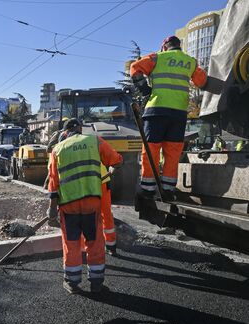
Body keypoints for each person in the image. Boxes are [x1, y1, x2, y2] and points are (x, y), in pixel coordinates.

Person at [47, 119, 123, 294]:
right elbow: (117, 160)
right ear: (80, 129)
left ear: (64, 133)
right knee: (95, 242)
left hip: (69, 205)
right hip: (92, 202)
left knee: (71, 243)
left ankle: (72, 283)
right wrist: (111, 170)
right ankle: (96, 283)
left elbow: (53, 183)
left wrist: (51, 208)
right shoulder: (95, 141)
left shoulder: (57, 150)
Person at [130, 35, 207, 199]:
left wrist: (144, 90)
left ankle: (148, 189)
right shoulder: (190, 62)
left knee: (151, 149)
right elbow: (201, 81)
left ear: (165, 46)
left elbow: (135, 68)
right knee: (172, 151)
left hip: (156, 110)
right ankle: (168, 189)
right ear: (179, 46)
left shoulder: (157, 57)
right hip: (179, 113)